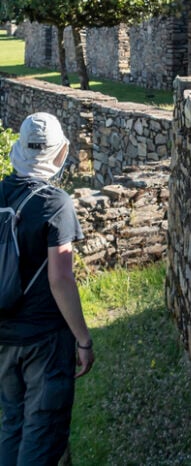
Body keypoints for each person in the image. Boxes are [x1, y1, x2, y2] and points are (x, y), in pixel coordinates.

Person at [0, 112, 94, 465]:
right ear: (58, 153)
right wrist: (83, 339)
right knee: (42, 434)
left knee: (13, 425)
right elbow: (60, 279)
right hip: (45, 340)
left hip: (5, 335)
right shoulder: (56, 203)